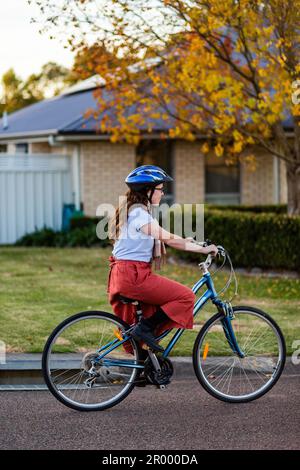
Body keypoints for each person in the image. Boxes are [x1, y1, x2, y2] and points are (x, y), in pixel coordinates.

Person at [107, 165, 218, 354]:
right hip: (133, 276)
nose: (163, 192)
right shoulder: (140, 214)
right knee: (185, 297)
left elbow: (160, 236)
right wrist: (203, 249)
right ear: (147, 191)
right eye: (159, 189)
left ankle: (142, 361)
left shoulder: (135, 212)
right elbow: (166, 238)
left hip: (125, 274)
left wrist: (187, 241)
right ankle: (144, 330)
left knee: (147, 314)